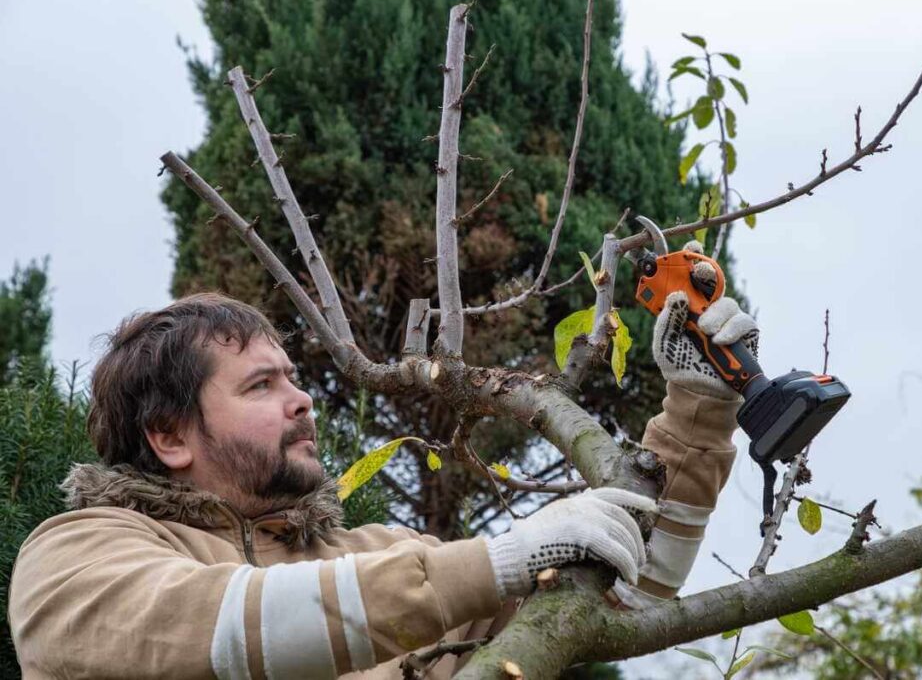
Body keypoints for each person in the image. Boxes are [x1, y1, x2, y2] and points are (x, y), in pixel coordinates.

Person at [8, 245, 756, 678]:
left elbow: (631, 590)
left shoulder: (385, 554)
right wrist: (498, 560)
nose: (301, 400)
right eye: (262, 385)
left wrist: (697, 410)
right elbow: (228, 626)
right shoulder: (75, 559)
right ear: (170, 435)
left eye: (294, 377)